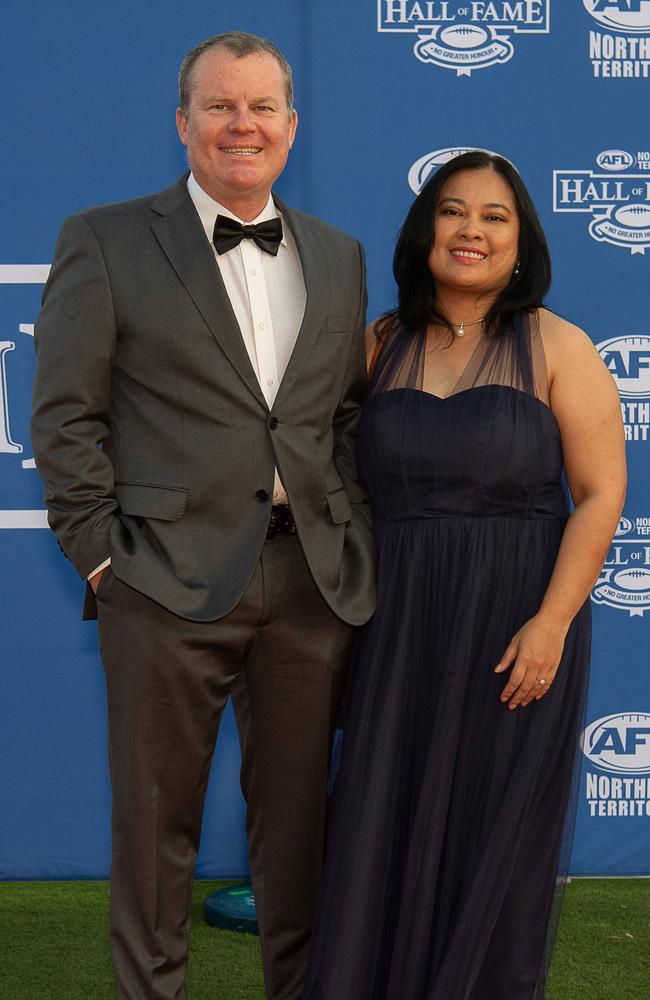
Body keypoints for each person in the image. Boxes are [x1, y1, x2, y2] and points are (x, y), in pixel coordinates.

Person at [30, 30, 374, 1000]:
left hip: (309, 583)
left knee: (299, 830)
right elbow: (64, 416)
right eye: (219, 105)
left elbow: (340, 421)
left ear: (291, 128)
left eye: (261, 106)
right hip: (161, 580)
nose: (241, 124)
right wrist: (104, 559)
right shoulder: (104, 238)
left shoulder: (339, 258)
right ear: (182, 123)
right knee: (154, 830)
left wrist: (345, 543)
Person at [303, 151, 626, 1000]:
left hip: (516, 622)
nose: (471, 231)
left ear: (521, 243)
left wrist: (552, 622)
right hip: (396, 621)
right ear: (425, 231)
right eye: (453, 212)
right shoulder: (379, 343)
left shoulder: (560, 344)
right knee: (383, 822)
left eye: (495, 217)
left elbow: (599, 496)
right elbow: (320, 472)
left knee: (495, 840)